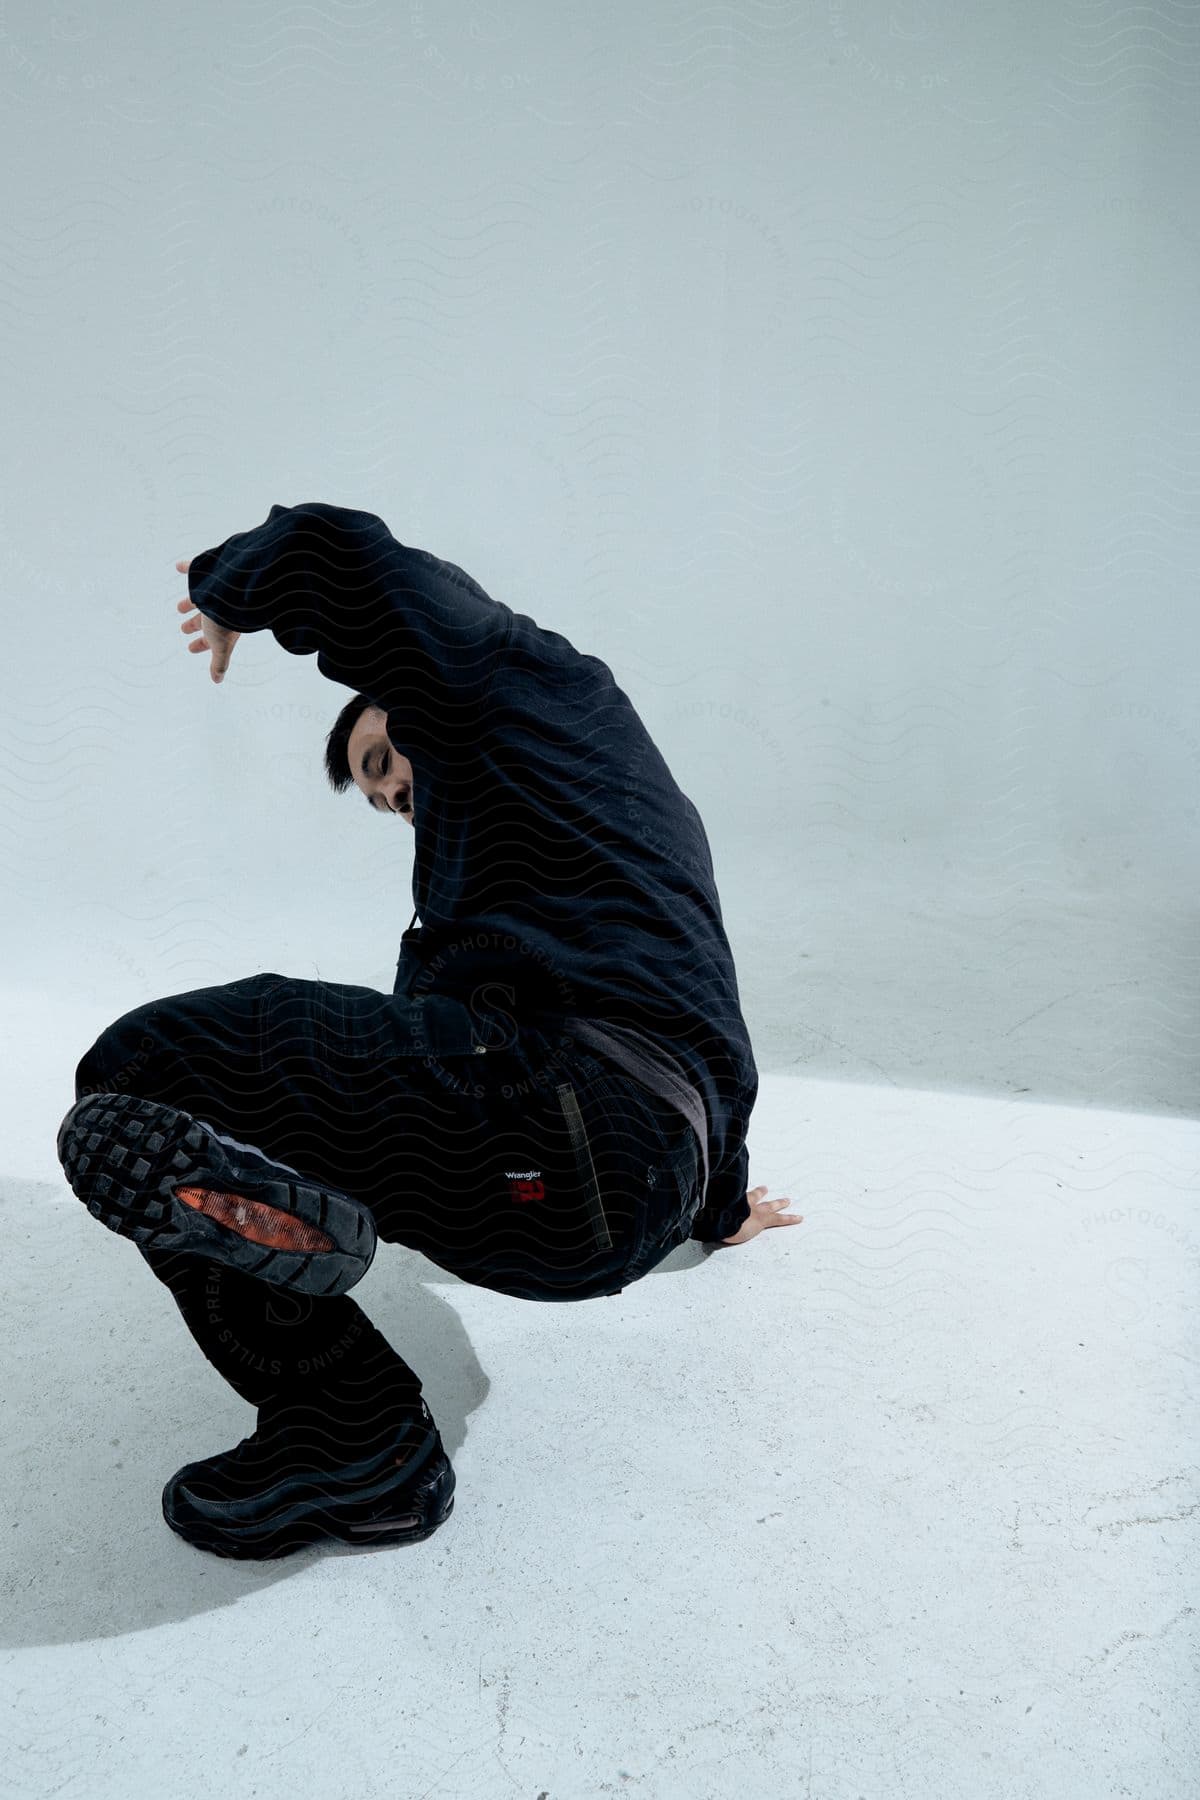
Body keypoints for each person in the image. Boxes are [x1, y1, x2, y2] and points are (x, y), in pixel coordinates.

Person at [58, 500, 801, 1561]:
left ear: (419, 693)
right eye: (376, 794)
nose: (395, 790)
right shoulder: (601, 860)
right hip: (602, 1210)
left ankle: (353, 1436)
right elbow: (703, 1022)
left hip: (567, 1119)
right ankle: (351, 1451)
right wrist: (718, 1207)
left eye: (385, 754)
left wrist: (225, 588)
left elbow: (344, 554)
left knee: (144, 1068)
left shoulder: (523, 687)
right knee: (236, 1135)